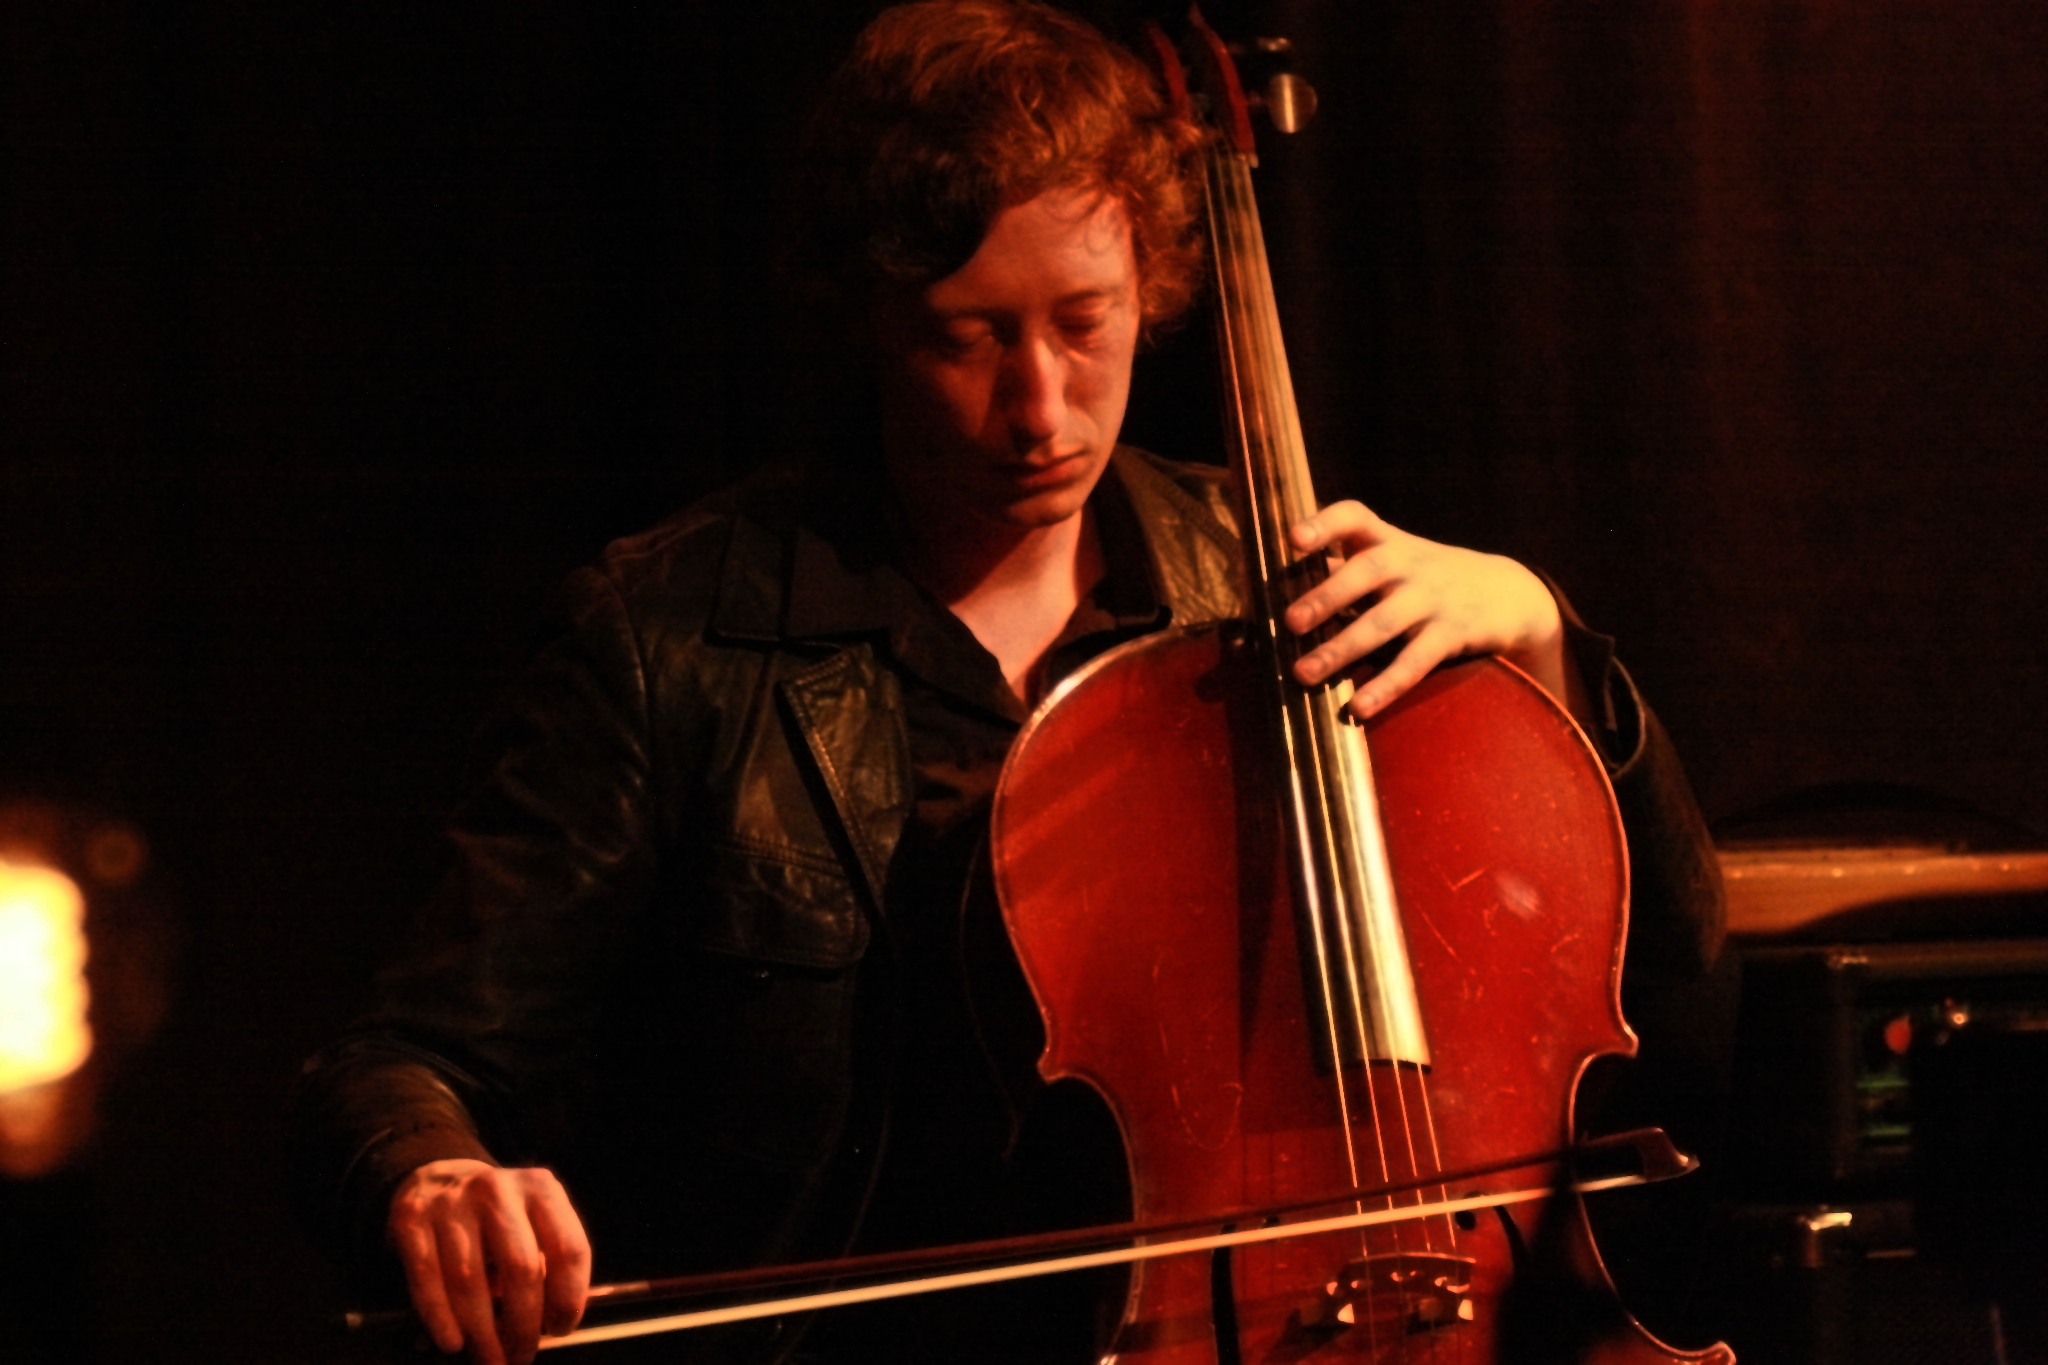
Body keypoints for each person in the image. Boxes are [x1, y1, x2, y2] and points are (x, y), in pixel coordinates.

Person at [291, 4, 1725, 1363]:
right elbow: (404, 1059)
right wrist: (437, 1176)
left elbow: (1667, 974)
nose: (1041, 406)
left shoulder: (1279, 587)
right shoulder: (672, 639)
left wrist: (1543, 639)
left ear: (1154, 286)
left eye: (1084, 321)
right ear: (869, 317)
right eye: (967, 336)